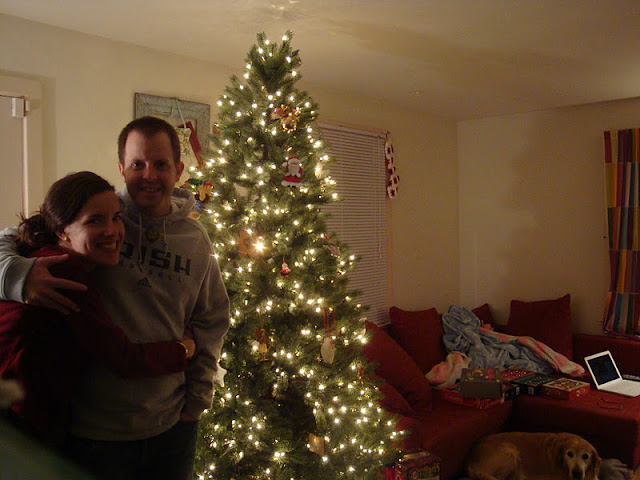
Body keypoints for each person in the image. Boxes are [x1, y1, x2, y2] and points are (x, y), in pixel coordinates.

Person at [0, 116, 230, 480]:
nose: (149, 175)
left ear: (179, 170)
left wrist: (197, 402)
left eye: (160, 164)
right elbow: (12, 237)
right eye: (138, 164)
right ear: (122, 169)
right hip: (93, 432)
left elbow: (211, 320)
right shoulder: (89, 213)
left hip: (171, 426)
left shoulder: (195, 239)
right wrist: (17, 277)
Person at [0, 171, 196, 447]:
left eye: (116, 217)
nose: (112, 231)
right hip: (14, 422)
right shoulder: (63, 273)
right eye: (95, 220)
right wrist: (184, 349)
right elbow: (122, 358)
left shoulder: (49, 255)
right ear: (62, 231)